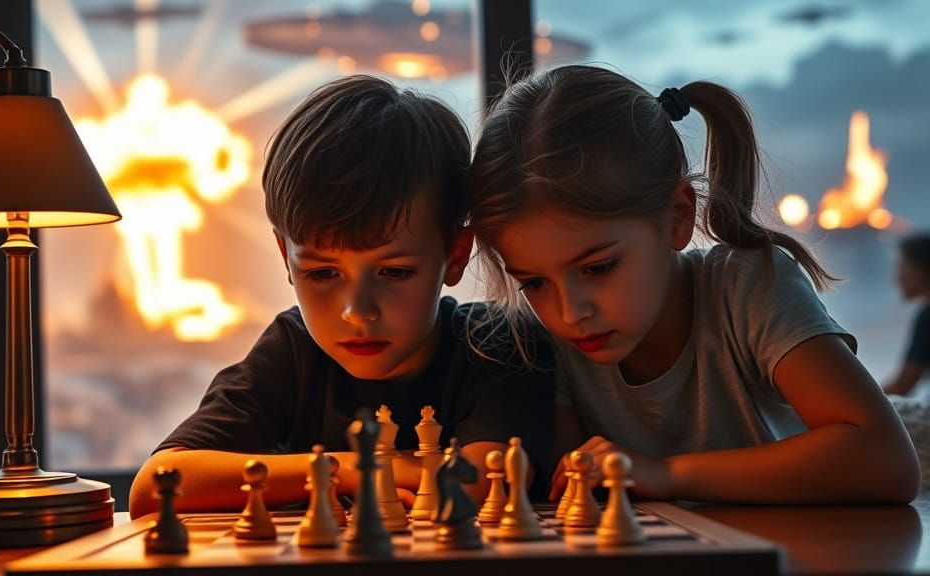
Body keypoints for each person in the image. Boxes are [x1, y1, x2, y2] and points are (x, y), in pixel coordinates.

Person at [467, 65, 919, 504]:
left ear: (679, 217)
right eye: (534, 283)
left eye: (599, 268)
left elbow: (886, 460)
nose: (571, 313)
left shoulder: (749, 287)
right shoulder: (547, 339)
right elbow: (581, 492)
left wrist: (669, 476)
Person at [128, 76, 553, 519]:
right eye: (323, 272)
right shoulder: (292, 349)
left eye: (394, 272)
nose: (357, 310)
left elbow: (486, 479)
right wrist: (352, 470)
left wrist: (339, 470)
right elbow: (155, 484)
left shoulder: (495, 341)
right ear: (284, 257)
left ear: (454, 254)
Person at [884, 233, 930, 396]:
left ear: (920, 270)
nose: (896, 279)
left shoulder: (927, 317)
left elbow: (903, 385)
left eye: (902, 268)